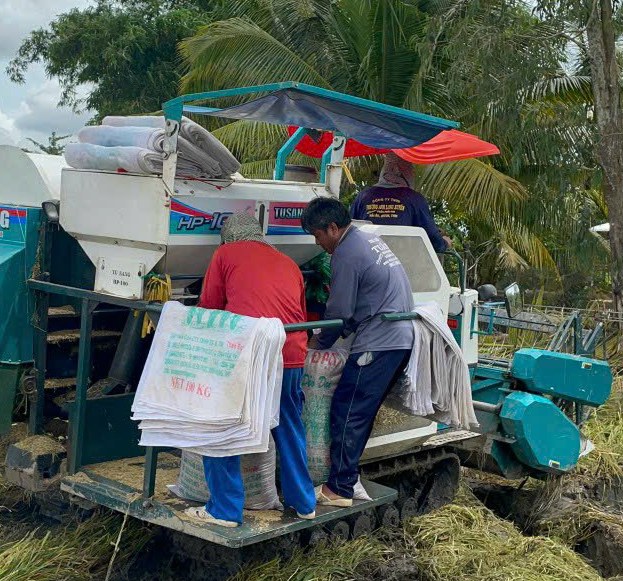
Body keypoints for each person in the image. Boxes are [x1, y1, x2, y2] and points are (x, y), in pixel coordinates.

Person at [186, 210, 318, 527]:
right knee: (288, 425)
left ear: (229, 237)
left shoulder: (225, 253)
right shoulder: (288, 262)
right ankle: (304, 503)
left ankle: (224, 510)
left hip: (250, 354)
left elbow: (210, 308)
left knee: (220, 424)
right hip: (290, 353)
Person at [301, 197, 415, 508]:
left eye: (317, 235)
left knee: (347, 411)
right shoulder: (368, 239)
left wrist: (318, 343)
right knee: (360, 413)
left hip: (379, 341)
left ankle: (338, 489)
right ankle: (346, 479)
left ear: (333, 228)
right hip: (397, 338)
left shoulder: (347, 253)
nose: (318, 242)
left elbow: (339, 311)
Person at [350, 154, 451, 253]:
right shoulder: (415, 199)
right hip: (403, 264)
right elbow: (434, 241)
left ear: (384, 170)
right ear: (406, 173)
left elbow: (350, 231)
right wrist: (444, 243)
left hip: (367, 259)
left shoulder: (362, 197)